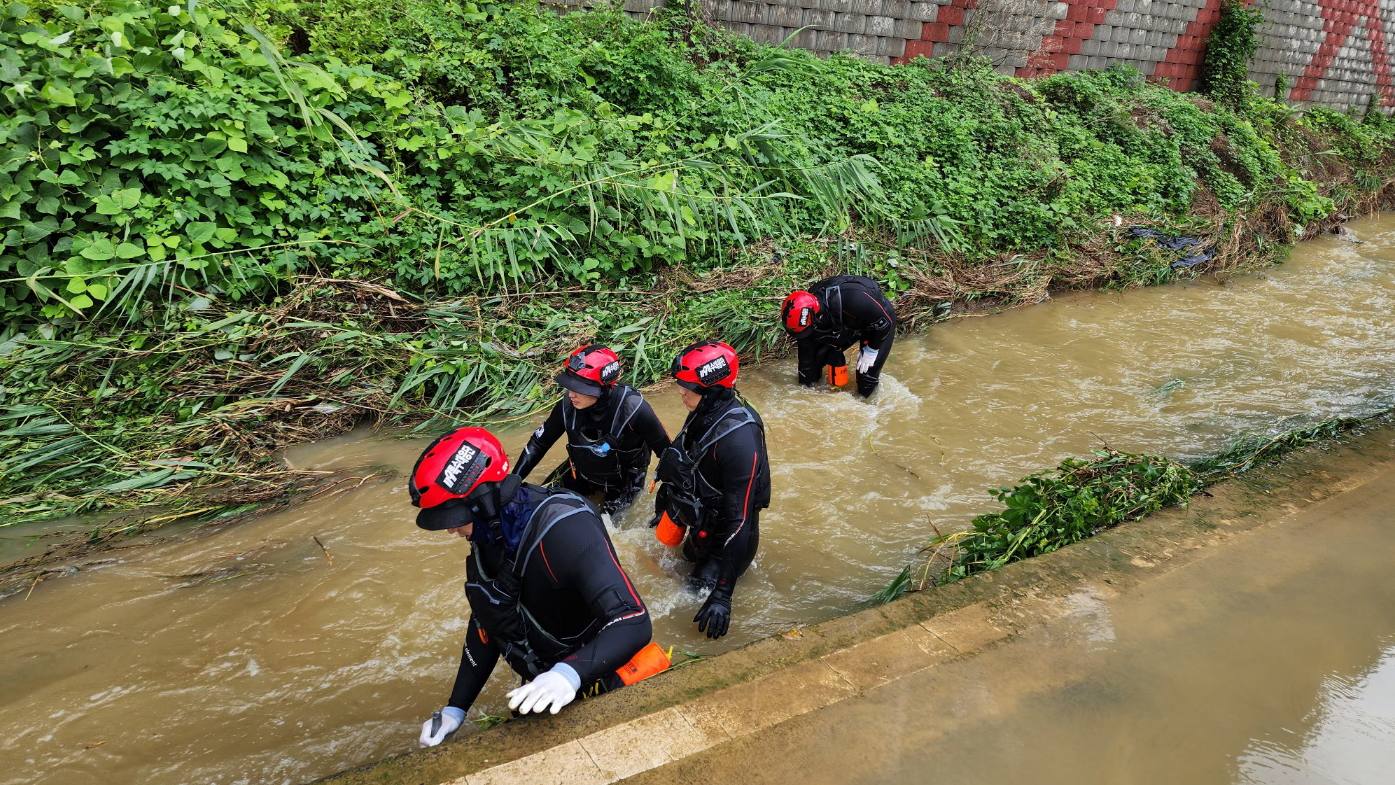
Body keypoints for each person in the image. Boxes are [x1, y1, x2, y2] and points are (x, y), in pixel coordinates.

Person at [410, 426, 665, 747]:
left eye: (454, 518)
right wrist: (455, 708)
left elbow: (633, 621)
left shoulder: (566, 528)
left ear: (483, 501)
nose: (450, 529)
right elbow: (490, 620)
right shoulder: (488, 535)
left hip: (602, 678)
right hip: (545, 686)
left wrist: (567, 675)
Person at [651, 340, 771, 640]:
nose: (680, 390)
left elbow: (739, 520)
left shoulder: (740, 439)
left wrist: (723, 596)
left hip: (725, 540)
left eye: (688, 386)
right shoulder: (706, 410)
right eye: (681, 383)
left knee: (688, 596)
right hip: (700, 522)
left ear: (715, 389)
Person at [513, 345, 671, 516]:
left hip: (623, 482)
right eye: (569, 386)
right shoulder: (567, 406)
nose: (571, 394)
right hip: (581, 471)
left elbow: (667, 454)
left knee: (605, 526)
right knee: (541, 508)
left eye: (578, 388)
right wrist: (514, 478)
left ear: (602, 389)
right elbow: (539, 442)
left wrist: (666, 502)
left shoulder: (634, 409)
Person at [781, 275, 896, 397]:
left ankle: (868, 401)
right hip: (844, 322)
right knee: (809, 370)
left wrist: (871, 350)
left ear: (817, 317)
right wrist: (805, 393)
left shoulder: (856, 299)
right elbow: (806, 358)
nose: (803, 336)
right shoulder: (806, 315)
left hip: (878, 324)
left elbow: (885, 324)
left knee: (866, 377)